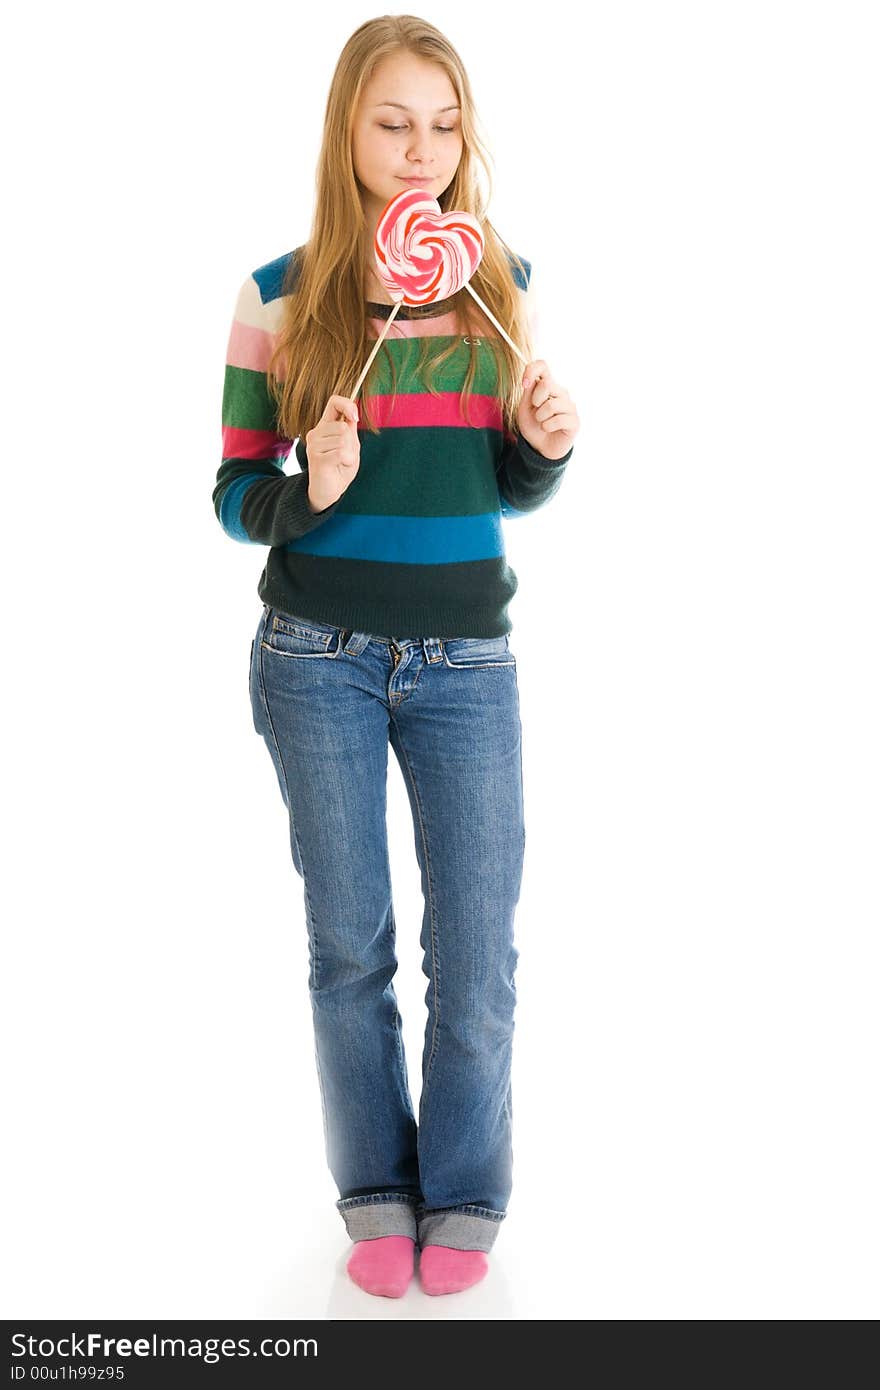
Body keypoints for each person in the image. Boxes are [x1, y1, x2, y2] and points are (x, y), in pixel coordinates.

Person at [214, 15, 580, 1299]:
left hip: (467, 663)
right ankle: (374, 1192)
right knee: (349, 945)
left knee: (476, 952)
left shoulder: (498, 283)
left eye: (443, 122)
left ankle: (465, 1192)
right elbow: (231, 498)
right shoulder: (276, 295)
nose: (420, 152)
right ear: (347, 132)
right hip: (314, 653)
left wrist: (542, 441)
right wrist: (309, 485)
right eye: (391, 123)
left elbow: (504, 485)